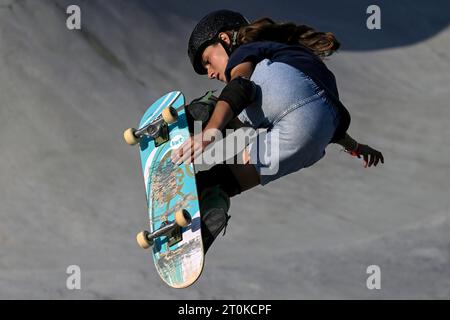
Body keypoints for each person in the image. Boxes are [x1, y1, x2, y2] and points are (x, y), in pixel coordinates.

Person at [172, 10, 385, 252]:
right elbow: (316, 116)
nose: (210, 72)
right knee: (223, 183)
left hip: (283, 90)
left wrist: (209, 131)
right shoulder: (291, 52)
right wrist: (355, 147)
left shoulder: (247, 48)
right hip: (315, 135)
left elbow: (240, 87)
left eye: (208, 61)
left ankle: (193, 116)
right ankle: (210, 212)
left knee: (229, 96)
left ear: (225, 39)